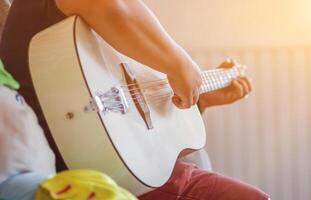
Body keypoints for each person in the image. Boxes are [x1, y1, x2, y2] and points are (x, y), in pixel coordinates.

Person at [0, 0, 269, 199]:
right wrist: (180, 64)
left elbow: (125, 115)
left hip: (138, 177)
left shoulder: (65, 43)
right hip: (113, 181)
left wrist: (200, 101)